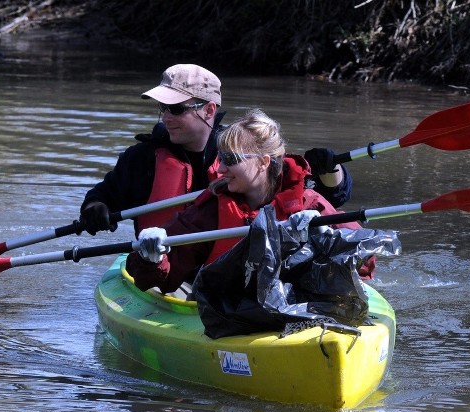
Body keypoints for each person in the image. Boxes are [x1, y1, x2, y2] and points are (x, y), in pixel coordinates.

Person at [78, 63, 353, 236]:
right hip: (165, 268)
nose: (166, 117)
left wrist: (331, 169)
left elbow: (326, 196)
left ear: (210, 109)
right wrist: (94, 208)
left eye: (176, 109)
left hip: (232, 266)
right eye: (162, 108)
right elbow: (103, 195)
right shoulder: (142, 159)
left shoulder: (244, 151)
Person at [125, 108, 363, 294]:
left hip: (296, 305)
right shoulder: (211, 210)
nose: (221, 168)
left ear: (263, 162)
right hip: (229, 310)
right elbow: (156, 280)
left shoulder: (309, 204)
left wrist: (328, 240)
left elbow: (366, 263)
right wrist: (151, 257)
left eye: (231, 159)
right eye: (221, 157)